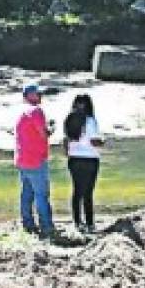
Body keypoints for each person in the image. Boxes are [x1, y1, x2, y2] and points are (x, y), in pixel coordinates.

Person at [14, 83, 54, 237]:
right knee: (41, 194)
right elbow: (43, 134)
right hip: (35, 160)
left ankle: (28, 224)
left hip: (22, 159)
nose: (40, 95)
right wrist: (51, 129)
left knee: (26, 194)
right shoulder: (36, 111)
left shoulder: (21, 112)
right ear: (30, 96)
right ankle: (46, 226)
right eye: (37, 93)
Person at [63, 93, 104, 233]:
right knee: (88, 193)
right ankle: (90, 223)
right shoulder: (90, 120)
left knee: (77, 192)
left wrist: (69, 153)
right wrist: (102, 142)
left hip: (74, 159)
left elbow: (65, 141)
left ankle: (77, 223)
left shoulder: (69, 120)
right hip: (90, 159)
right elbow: (94, 141)